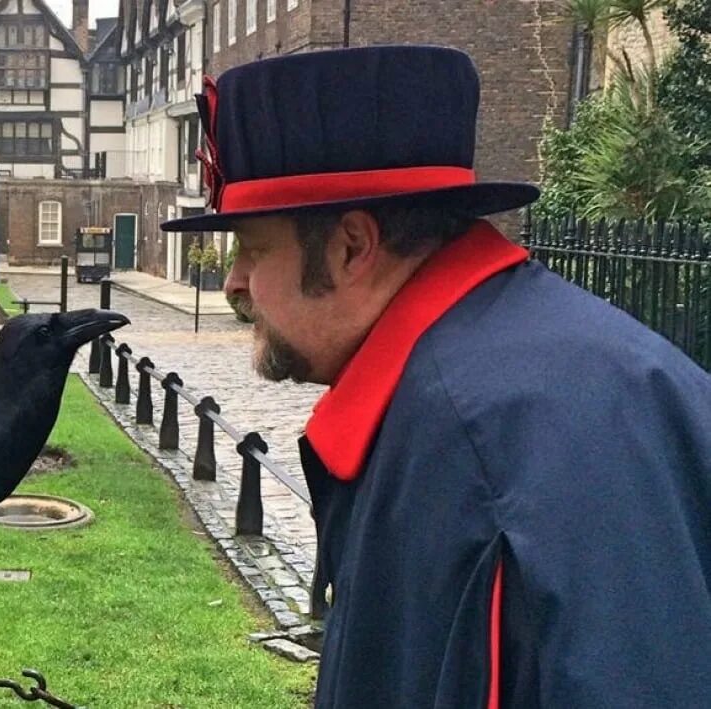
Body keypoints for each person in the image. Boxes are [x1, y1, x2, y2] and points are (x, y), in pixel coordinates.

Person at [161, 45, 711, 708]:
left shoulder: (470, 449)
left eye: (252, 249)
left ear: (351, 247)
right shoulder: (546, 367)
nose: (235, 283)